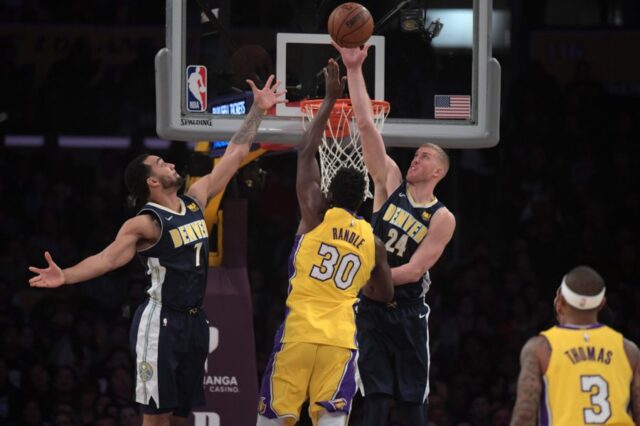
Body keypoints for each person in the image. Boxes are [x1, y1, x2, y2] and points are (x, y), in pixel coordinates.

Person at [28, 75, 286, 426]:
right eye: (162, 164)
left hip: (195, 321)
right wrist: (66, 275)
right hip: (161, 323)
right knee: (156, 419)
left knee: (181, 418)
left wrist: (257, 109)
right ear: (152, 181)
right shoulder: (147, 222)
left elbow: (236, 153)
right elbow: (107, 259)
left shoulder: (195, 200)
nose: (171, 164)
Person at [256, 59, 393, 426]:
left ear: (329, 191)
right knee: (331, 420)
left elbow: (305, 152)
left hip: (300, 333)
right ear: (364, 199)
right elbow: (383, 294)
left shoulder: (315, 213)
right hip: (340, 340)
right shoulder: (374, 242)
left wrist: (331, 99)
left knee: (274, 418)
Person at [333, 42, 457, 426]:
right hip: (371, 309)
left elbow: (417, 269)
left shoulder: (442, 217)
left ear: (438, 172)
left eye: (424, 157)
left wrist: (366, 277)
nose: (415, 159)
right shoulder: (390, 184)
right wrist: (354, 69)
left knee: (411, 409)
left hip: (406, 311)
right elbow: (367, 126)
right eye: (416, 155)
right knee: (375, 403)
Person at [510, 266, 640, 425]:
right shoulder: (628, 350)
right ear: (601, 303)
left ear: (560, 302)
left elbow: (524, 414)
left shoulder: (541, 348)